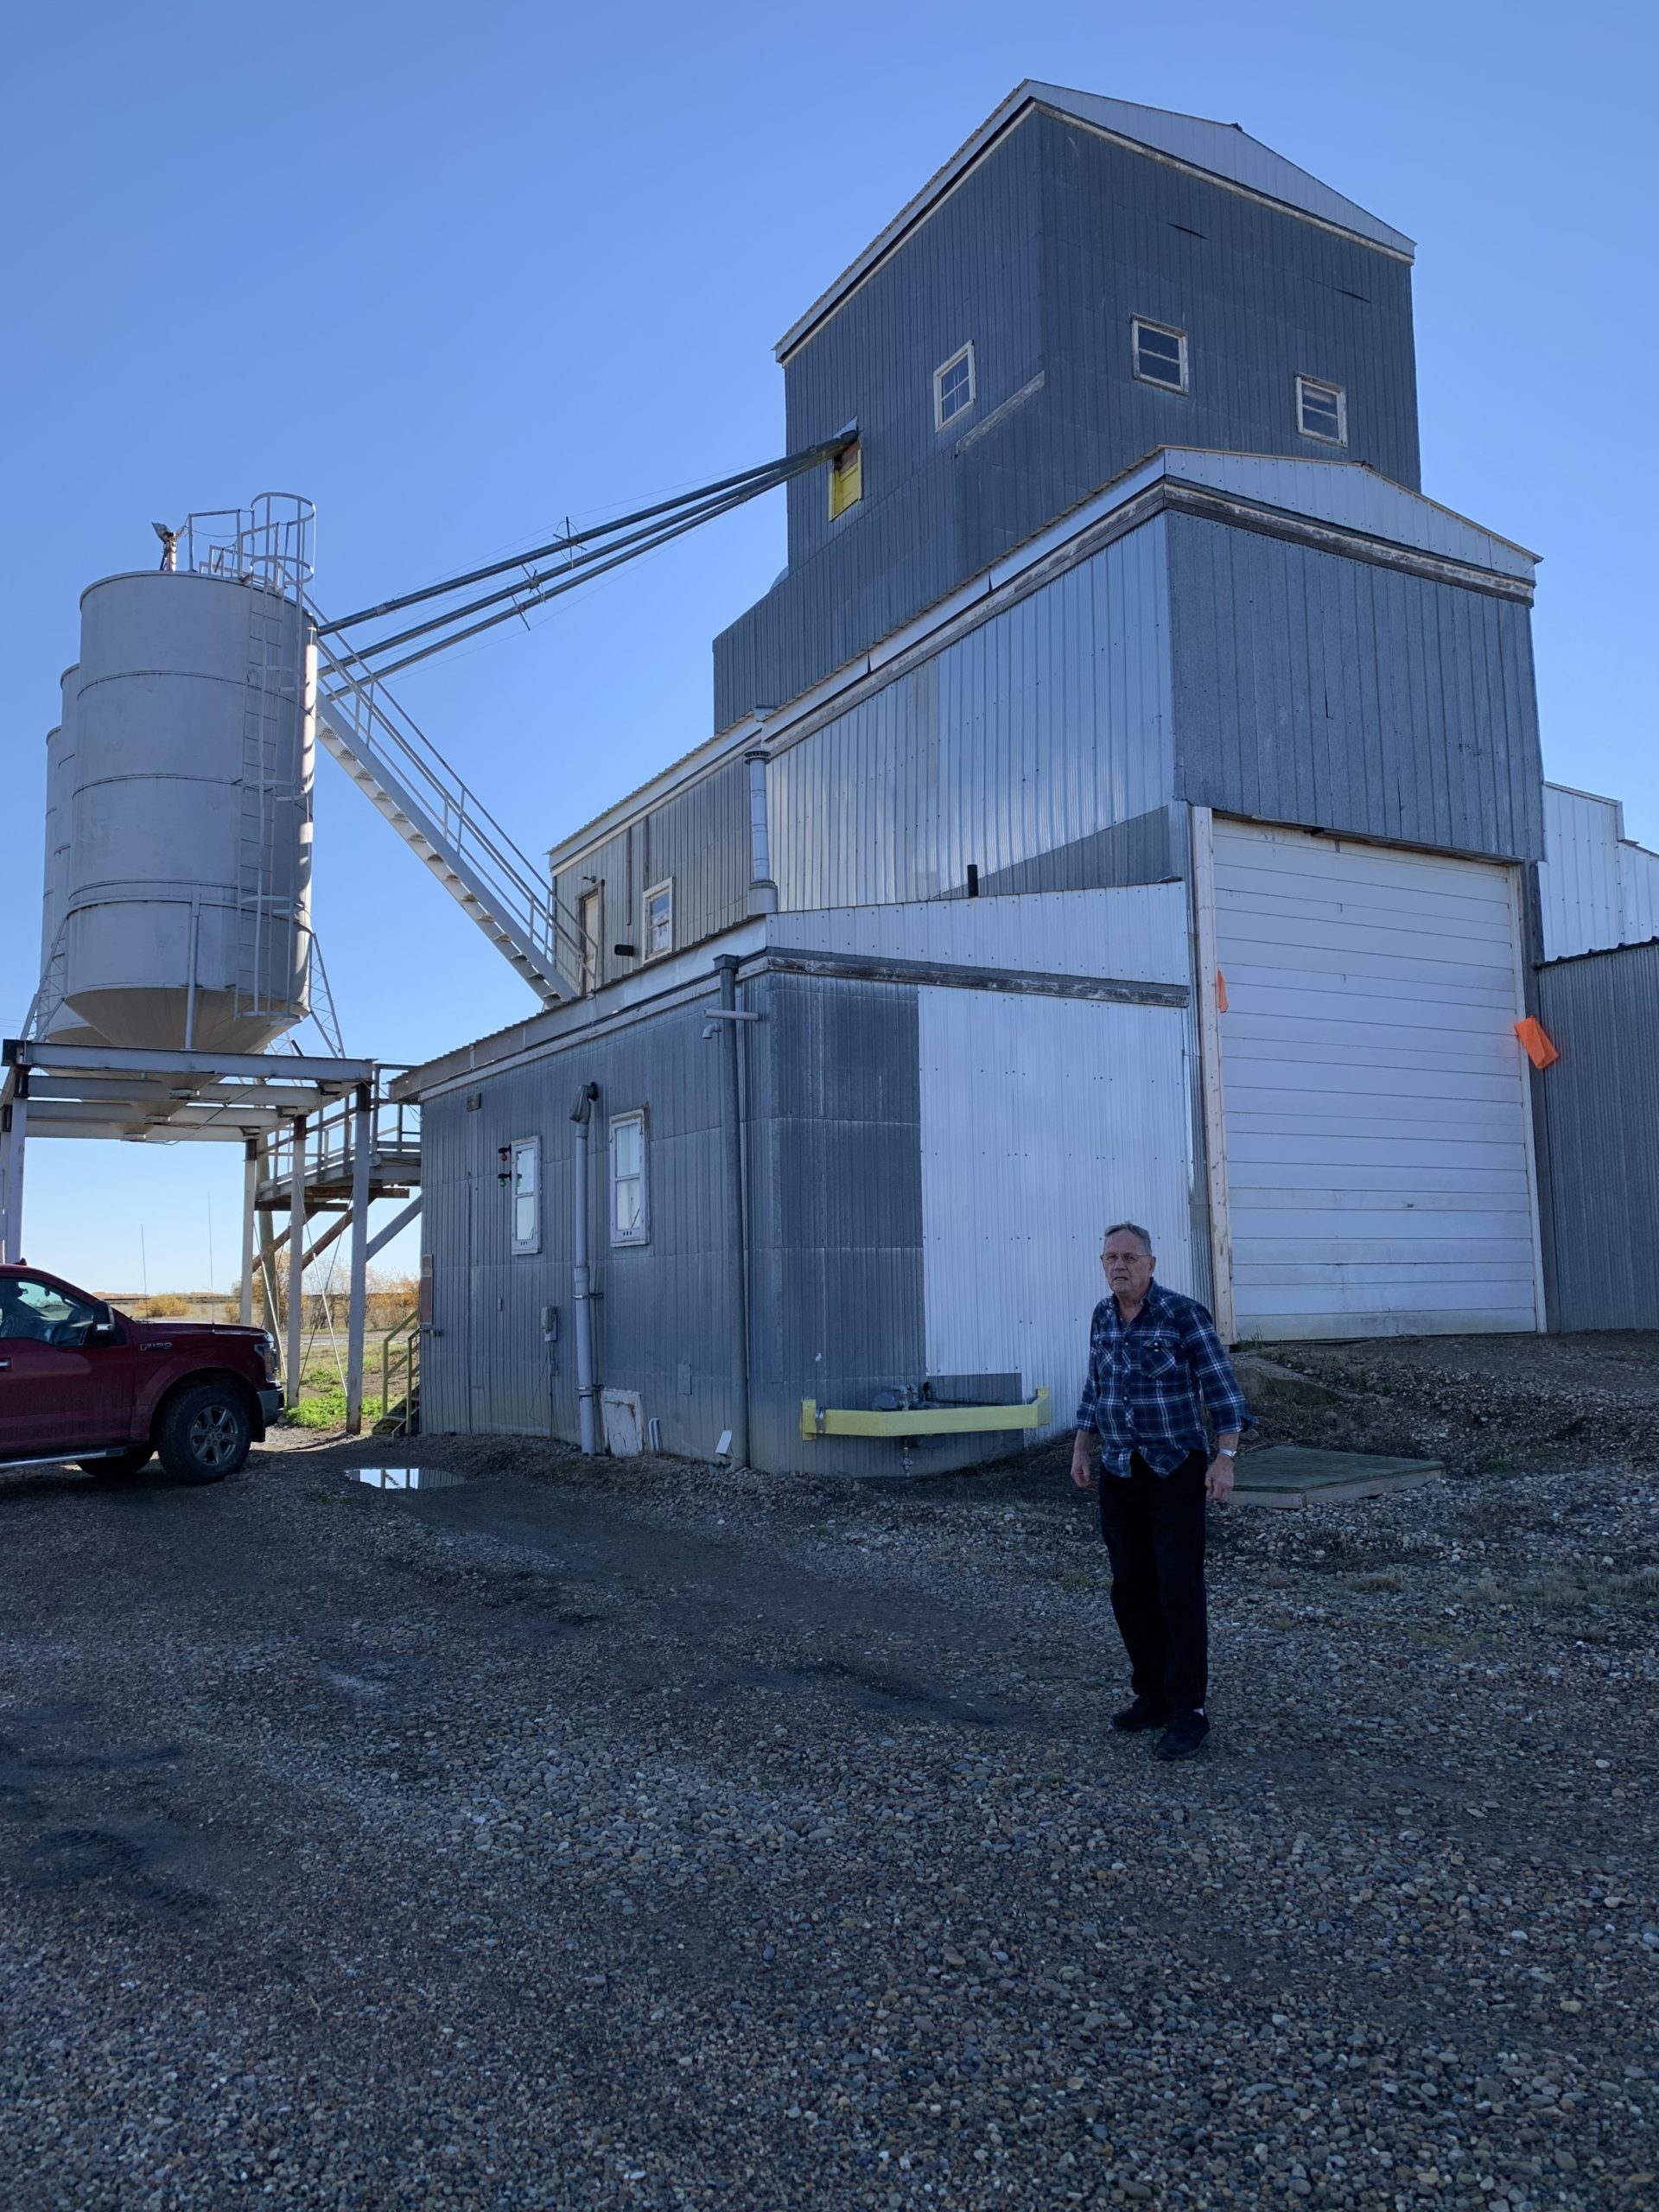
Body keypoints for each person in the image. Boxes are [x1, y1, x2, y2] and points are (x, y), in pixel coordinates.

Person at [1069, 1221, 1251, 1762]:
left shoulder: (1182, 1314)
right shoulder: (1103, 1316)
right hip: (1120, 1469)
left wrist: (1226, 1458)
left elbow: (1224, 1391)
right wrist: (1081, 1448)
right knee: (1130, 1588)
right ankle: (1150, 1696)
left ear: (1151, 1264)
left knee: (1178, 1590)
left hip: (1175, 1468)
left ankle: (1187, 1711)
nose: (1118, 1265)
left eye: (1129, 1256)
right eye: (1109, 1257)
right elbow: (1095, 1388)